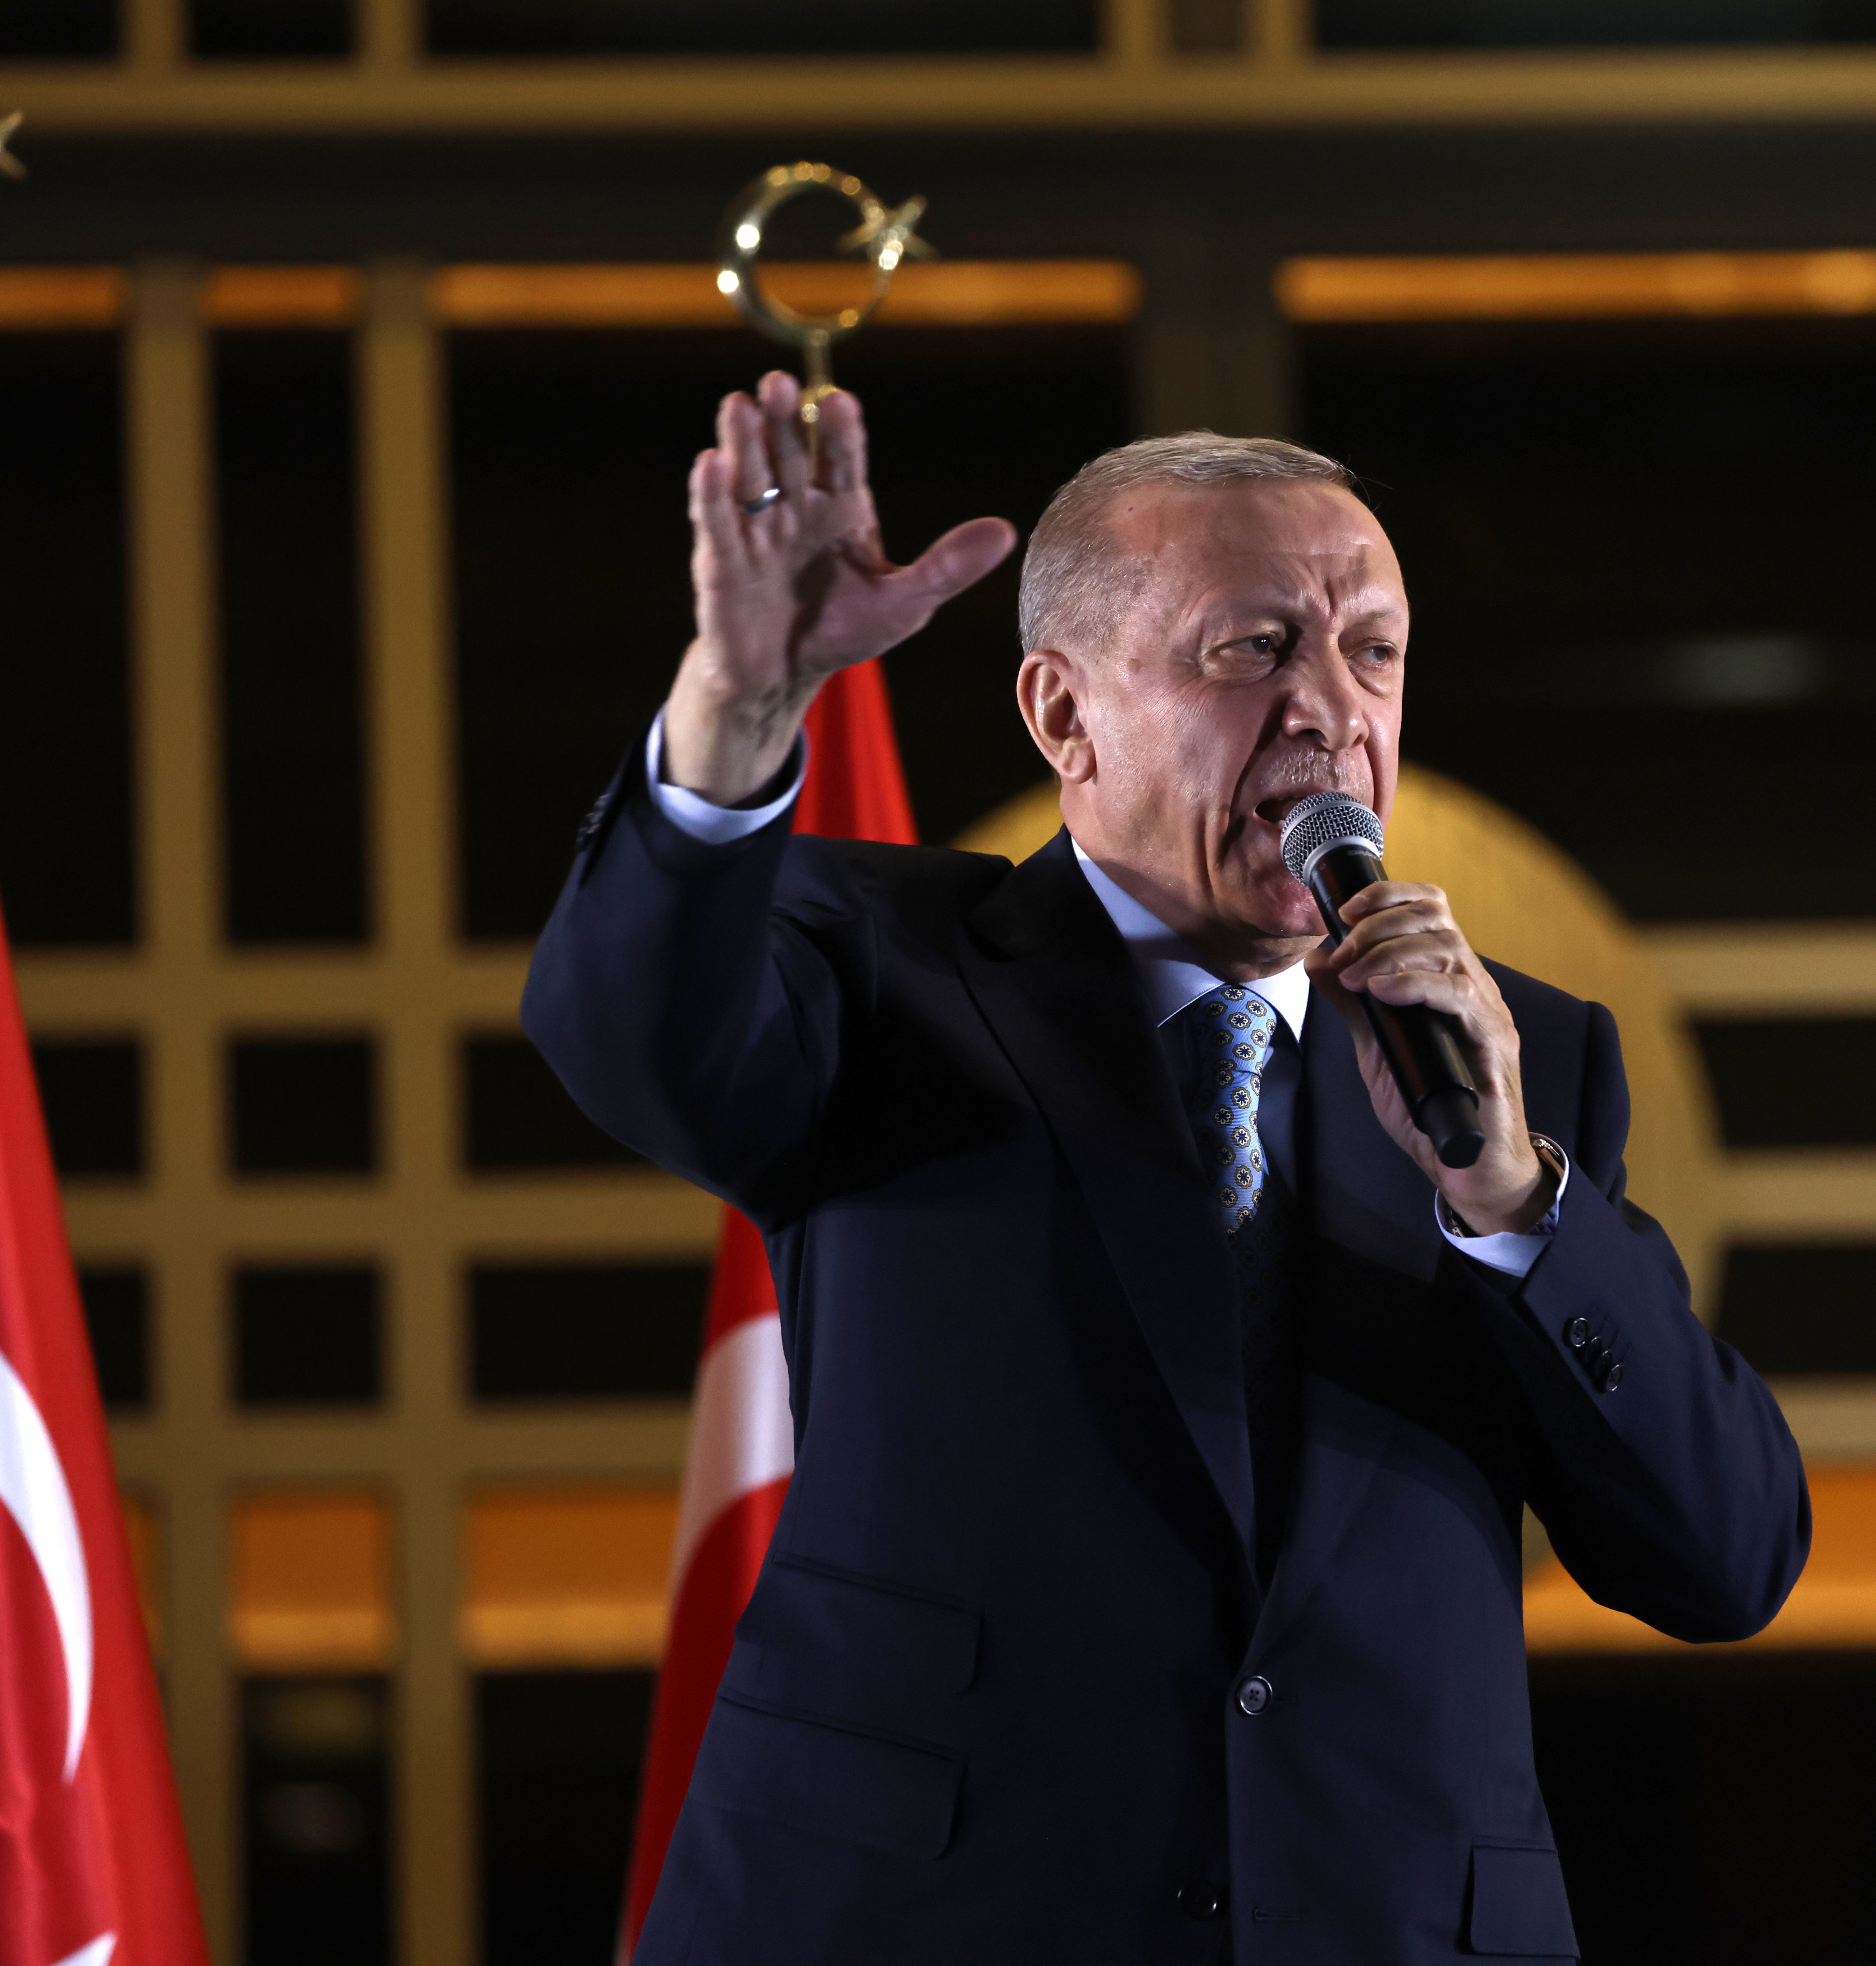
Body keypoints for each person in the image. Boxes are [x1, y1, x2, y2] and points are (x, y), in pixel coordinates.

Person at [523, 370, 1809, 1964]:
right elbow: (624, 1031)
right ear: (1063, 713)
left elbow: (1724, 1556)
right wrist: (734, 706)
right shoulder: (876, 968)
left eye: (1372, 649)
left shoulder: (1517, 1060)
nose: (1331, 706)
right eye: (1254, 646)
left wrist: (1512, 1203)